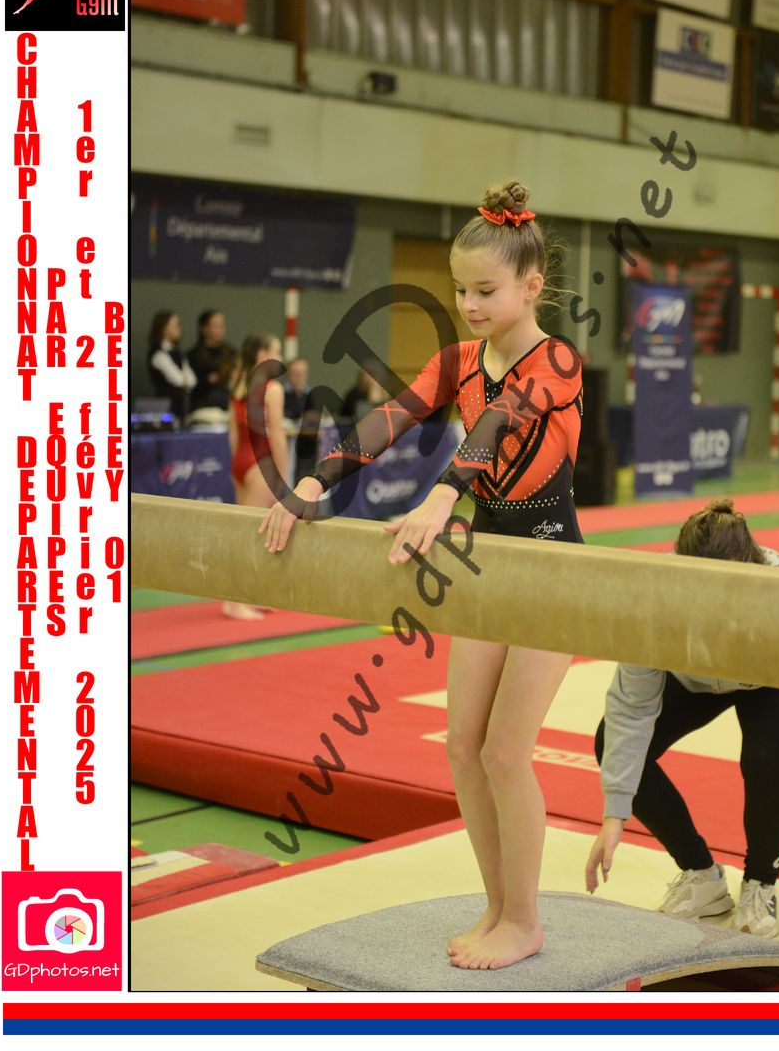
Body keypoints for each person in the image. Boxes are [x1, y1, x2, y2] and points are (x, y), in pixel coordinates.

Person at [259, 179, 583, 970]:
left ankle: (526, 919)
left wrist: (445, 493)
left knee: (506, 752)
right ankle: (498, 907)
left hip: (551, 571)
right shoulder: (456, 361)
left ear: (531, 285)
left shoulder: (558, 361)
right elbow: (387, 420)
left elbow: (504, 420)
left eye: (485, 291)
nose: (468, 305)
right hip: (489, 565)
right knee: (463, 747)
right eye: (459, 289)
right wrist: (315, 479)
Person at [585, 498, 779, 942]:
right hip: (693, 675)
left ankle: (760, 883)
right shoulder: (655, 597)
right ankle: (701, 875)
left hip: (766, 680)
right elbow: (631, 710)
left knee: (772, 758)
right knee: (610, 740)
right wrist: (615, 813)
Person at [225, 334, 288, 621]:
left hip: (241, 463)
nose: (280, 358)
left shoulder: (239, 384)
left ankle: (253, 595)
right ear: (263, 354)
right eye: (276, 351)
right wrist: (282, 476)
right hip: (260, 466)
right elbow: (277, 437)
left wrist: (237, 467)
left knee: (248, 531)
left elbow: (233, 434)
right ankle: (234, 601)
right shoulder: (272, 390)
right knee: (251, 537)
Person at [146, 311, 196, 422]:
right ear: (164, 329)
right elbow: (178, 380)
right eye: (174, 325)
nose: (178, 329)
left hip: (181, 405)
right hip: (165, 407)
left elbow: (192, 381)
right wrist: (184, 381)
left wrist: (185, 381)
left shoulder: (177, 353)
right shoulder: (158, 353)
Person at [188, 310, 235, 417]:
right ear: (204, 328)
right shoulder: (193, 356)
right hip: (202, 409)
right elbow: (190, 386)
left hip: (228, 407)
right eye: (216, 326)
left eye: (222, 326)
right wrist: (208, 380)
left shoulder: (231, 354)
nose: (220, 330)